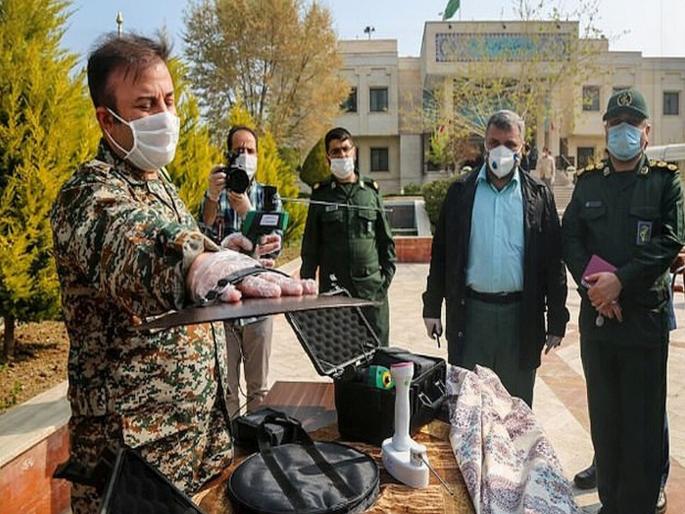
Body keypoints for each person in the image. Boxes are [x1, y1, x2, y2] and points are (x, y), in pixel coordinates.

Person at [50, 33, 313, 513]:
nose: (165, 115)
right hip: (135, 468)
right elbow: (136, 244)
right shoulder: (87, 193)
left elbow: (183, 239)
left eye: (169, 100)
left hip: (199, 446)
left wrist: (225, 253)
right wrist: (201, 265)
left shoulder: (161, 183)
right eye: (145, 104)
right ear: (107, 119)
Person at [562, 88, 684, 514]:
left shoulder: (665, 181)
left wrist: (620, 282)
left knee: (643, 425)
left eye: (632, 124)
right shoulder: (588, 183)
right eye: (616, 124)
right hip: (599, 323)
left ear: (647, 132)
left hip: (644, 323)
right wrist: (596, 289)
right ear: (605, 131)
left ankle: (640, 504)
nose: (624, 131)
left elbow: (670, 239)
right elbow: (570, 238)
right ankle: (611, 503)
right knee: (606, 422)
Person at [422, 110, 569, 407]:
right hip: (471, 316)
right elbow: (442, 254)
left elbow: (554, 262)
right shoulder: (461, 192)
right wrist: (432, 306)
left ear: (522, 147)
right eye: (494, 142)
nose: (502, 150)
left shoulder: (539, 195)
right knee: (470, 408)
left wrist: (556, 320)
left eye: (510, 144)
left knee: (514, 411)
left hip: (521, 317)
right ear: (485, 145)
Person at [199, 125, 281, 416]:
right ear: (228, 155)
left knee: (258, 387)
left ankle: (257, 438)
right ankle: (232, 438)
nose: (245, 155)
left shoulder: (268, 195)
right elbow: (200, 236)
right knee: (228, 387)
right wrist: (211, 196)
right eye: (239, 150)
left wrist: (249, 213)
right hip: (223, 302)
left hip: (260, 304)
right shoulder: (216, 193)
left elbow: (274, 246)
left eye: (250, 150)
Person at [300, 127, 396, 345]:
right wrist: (307, 292)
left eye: (346, 149)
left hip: (372, 293)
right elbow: (310, 248)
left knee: (378, 357)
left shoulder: (370, 192)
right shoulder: (321, 194)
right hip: (335, 293)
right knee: (340, 356)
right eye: (335, 151)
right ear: (328, 157)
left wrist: (384, 283)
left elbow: (386, 242)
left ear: (354, 151)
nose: (342, 155)